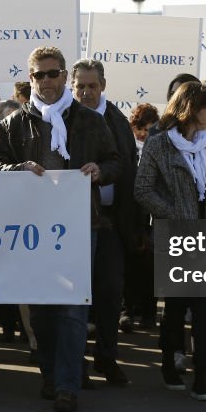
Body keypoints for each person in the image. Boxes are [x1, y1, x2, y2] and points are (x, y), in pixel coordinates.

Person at [0, 46, 120, 412]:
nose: (46, 81)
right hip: (33, 228)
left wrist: (100, 170)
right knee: (43, 310)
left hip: (82, 223)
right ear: (30, 78)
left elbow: (116, 161)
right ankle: (50, 374)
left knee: (73, 307)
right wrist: (16, 169)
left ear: (65, 76)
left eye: (53, 74)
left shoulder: (91, 121)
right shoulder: (12, 123)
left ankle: (67, 384)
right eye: (39, 75)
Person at [135, 82, 206, 402]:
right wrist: (175, 214)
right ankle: (168, 364)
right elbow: (143, 189)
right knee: (175, 307)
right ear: (192, 109)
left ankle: (202, 375)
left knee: (205, 309)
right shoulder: (159, 144)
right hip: (175, 237)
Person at [71, 58, 135, 385]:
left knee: (110, 291)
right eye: (80, 85)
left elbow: (128, 169)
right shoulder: (64, 120)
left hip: (110, 221)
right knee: (77, 294)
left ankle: (107, 358)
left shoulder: (117, 121)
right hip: (73, 222)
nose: (86, 92)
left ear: (103, 86)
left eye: (92, 85)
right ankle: (75, 362)